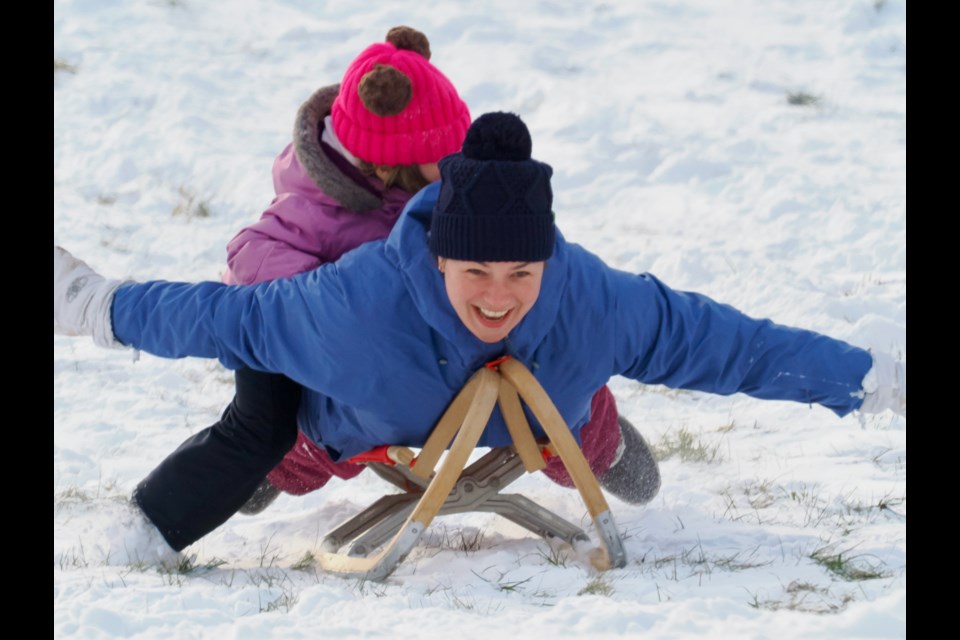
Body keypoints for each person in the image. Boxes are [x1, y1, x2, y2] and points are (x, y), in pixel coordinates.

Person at [53, 112, 905, 563]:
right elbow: (216, 316)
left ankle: (597, 432)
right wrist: (94, 301)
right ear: (437, 255)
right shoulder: (354, 305)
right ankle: (281, 469)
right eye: (476, 274)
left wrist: (866, 378)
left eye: (520, 275)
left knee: (578, 414)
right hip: (365, 417)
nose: (498, 297)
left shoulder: (590, 301)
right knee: (300, 439)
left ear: (547, 264)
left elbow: (731, 345)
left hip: (541, 414)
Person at [84, 29, 646, 560]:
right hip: (377, 370)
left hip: (484, 343)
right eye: (444, 153)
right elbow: (258, 260)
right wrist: (322, 307)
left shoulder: (452, 193)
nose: (457, 164)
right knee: (324, 416)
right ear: (393, 164)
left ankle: (601, 445)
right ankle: (277, 468)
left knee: (559, 380)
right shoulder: (317, 214)